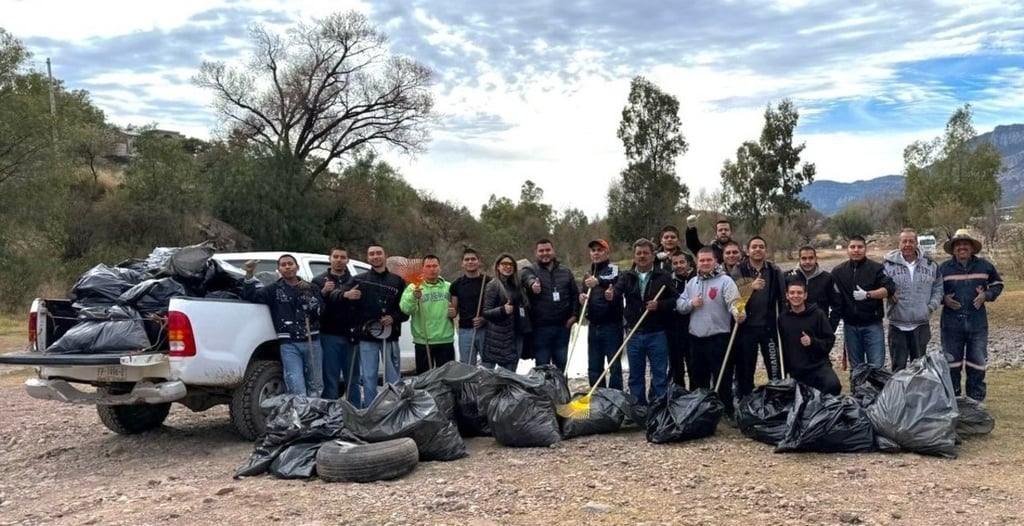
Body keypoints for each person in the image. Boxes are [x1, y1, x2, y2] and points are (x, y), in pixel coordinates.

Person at [241, 255, 324, 397]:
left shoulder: (311, 288)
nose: (287, 267)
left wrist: (309, 298)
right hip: (289, 343)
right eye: (283, 265)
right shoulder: (273, 290)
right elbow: (251, 296)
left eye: (290, 264)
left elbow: (321, 310)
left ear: (297, 267)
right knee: (295, 382)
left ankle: (314, 413)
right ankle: (300, 413)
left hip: (312, 341)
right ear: (279, 269)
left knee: (315, 383)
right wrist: (249, 274)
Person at [677, 247, 744, 421]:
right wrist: (691, 303)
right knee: (698, 377)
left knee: (722, 376)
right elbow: (680, 305)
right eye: (702, 260)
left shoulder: (725, 281)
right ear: (697, 262)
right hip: (696, 339)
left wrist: (738, 312)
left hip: (718, 338)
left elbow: (734, 302)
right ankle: (701, 411)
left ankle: (726, 410)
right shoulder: (692, 283)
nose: (705, 263)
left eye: (708, 260)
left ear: (715, 261)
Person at [609, 239, 677, 405]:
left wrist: (659, 305)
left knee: (660, 374)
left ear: (653, 256)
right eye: (638, 253)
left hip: (657, 333)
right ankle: (639, 408)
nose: (642, 256)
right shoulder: (626, 277)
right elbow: (616, 292)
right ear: (634, 256)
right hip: (634, 333)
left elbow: (675, 300)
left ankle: (660, 408)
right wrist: (611, 294)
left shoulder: (664, 276)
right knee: (635, 375)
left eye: (646, 253)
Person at [939, 229, 1004, 402]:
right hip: (951, 325)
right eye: (958, 244)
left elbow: (997, 284)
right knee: (951, 364)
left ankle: (975, 401)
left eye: (965, 244)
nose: (962, 247)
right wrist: (943, 299)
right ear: (953, 248)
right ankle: (953, 401)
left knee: (977, 363)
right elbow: (932, 291)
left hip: (977, 323)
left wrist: (986, 295)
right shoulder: (943, 268)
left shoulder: (985, 266)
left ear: (972, 247)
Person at [340, 244, 408, 408]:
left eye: (379, 253)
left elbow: (405, 310)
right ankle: (372, 411)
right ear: (367, 257)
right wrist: (346, 295)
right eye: (372, 254)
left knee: (393, 376)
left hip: (390, 337)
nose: (375, 256)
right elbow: (341, 297)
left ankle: (395, 409)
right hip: (366, 337)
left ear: (385, 256)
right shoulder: (358, 280)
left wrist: (393, 317)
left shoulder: (397, 281)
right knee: (369, 376)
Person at [733, 236, 786, 398]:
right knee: (746, 368)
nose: (757, 249)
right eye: (754, 247)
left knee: (774, 365)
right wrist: (750, 287)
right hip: (746, 329)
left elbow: (782, 299)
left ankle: (777, 398)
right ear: (748, 250)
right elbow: (734, 298)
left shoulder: (774, 270)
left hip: (768, 328)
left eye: (761, 247)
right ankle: (746, 400)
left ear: (766, 250)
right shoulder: (739, 269)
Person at [831, 235, 894, 371]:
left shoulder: (876, 268)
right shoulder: (838, 272)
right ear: (847, 250)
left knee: (877, 366)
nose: (856, 250)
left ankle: (877, 392)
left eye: (860, 247)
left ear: (865, 249)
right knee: (857, 368)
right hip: (850, 326)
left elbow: (889, 289)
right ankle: (858, 392)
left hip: (872, 325)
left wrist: (868, 294)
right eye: (852, 247)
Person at [883, 229, 943, 372]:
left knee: (920, 368)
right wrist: (888, 294)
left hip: (921, 323)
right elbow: (879, 285)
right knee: (898, 368)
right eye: (904, 241)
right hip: (897, 324)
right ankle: (898, 395)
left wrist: (931, 306)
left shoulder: (930, 265)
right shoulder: (887, 265)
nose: (907, 244)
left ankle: (917, 394)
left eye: (911, 241)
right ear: (899, 244)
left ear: (917, 243)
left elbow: (938, 287)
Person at [521, 238, 579, 372]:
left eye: (547, 250)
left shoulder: (565, 271)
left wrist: (574, 316)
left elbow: (574, 295)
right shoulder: (530, 270)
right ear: (536, 253)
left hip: (563, 328)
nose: (544, 253)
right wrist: (532, 285)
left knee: (562, 366)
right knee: (542, 368)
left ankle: (561, 392)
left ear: (553, 251)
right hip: (540, 329)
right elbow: (526, 279)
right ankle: (544, 393)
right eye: (541, 251)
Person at [314, 247, 360, 402]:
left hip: (351, 336)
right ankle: (330, 415)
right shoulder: (319, 281)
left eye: (343, 257)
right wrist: (323, 293)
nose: (339, 260)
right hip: (328, 335)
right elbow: (314, 307)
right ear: (330, 259)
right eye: (336, 256)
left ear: (347, 260)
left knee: (353, 378)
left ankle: (355, 413)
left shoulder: (355, 281)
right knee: (330, 379)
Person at [777, 282, 840, 395]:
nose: (796, 296)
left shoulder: (817, 314)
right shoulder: (782, 319)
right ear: (787, 296)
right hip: (797, 371)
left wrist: (813, 342)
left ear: (805, 295)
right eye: (792, 293)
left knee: (833, 386)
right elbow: (781, 348)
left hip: (818, 366)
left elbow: (829, 340)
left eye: (799, 293)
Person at [399, 255, 456, 374]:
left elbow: (457, 308)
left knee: (447, 377)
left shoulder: (449, 287)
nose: (432, 269)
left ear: (439, 268)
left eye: (435, 266)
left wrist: (455, 312)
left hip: (445, 339)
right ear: (423, 269)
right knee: (424, 378)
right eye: (428, 266)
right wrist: (413, 296)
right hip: (423, 341)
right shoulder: (414, 287)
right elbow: (406, 309)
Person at [579, 238, 624, 390]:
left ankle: (616, 401)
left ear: (606, 252)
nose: (596, 253)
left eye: (600, 250)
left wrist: (598, 281)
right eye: (593, 250)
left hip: (612, 326)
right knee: (594, 368)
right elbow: (584, 294)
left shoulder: (614, 268)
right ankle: (598, 398)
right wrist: (582, 298)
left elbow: (614, 279)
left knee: (615, 367)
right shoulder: (587, 274)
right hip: (593, 326)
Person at [482, 254, 532, 371]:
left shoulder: (517, 285)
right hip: (499, 337)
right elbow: (486, 312)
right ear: (498, 267)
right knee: (493, 377)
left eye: (510, 264)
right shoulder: (493, 285)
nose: (507, 267)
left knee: (510, 376)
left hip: (516, 335)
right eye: (504, 264)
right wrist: (502, 310)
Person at [448, 248, 491, 365]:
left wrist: (484, 319)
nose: (470, 262)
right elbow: (454, 311)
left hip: (486, 330)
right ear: (462, 263)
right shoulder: (456, 285)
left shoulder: (489, 282)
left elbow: (495, 308)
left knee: (488, 366)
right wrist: (451, 313)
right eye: (467, 259)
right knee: (467, 367)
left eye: (473, 259)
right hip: (465, 331)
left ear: (479, 262)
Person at [785, 245, 840, 332]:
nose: (807, 261)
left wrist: (830, 327)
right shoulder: (788, 277)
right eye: (804, 258)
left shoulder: (827, 278)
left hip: (819, 328)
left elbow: (837, 305)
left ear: (816, 258)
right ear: (799, 259)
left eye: (811, 258)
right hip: (794, 327)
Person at [667, 251, 695, 388]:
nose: (679, 266)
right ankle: (679, 396)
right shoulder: (668, 282)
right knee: (676, 367)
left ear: (688, 263)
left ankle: (696, 396)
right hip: (674, 331)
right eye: (675, 263)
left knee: (694, 367)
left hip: (693, 330)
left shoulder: (696, 279)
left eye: (682, 262)